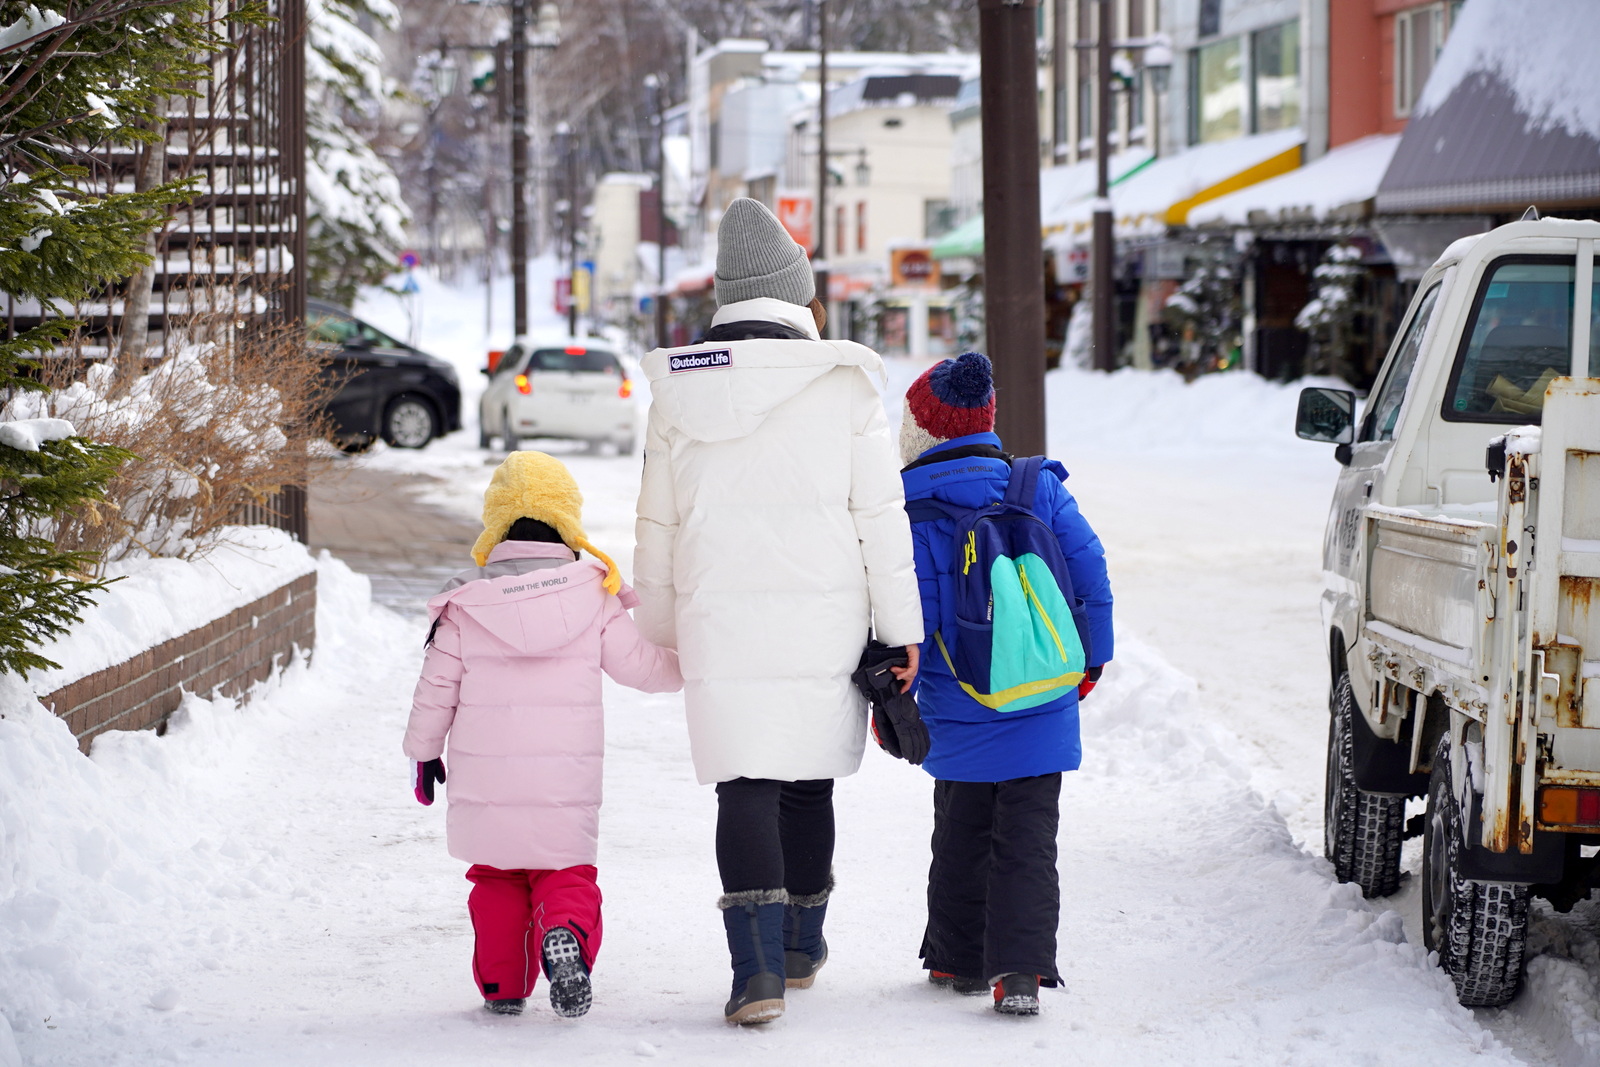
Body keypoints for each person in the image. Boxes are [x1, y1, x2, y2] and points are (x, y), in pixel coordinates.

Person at [633, 197, 923, 1025]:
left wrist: (661, 623)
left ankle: (754, 974)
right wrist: (901, 632)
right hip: (822, 624)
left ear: (726, 299)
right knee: (805, 786)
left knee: (745, 786)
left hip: (721, 623)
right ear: (797, 295)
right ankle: (800, 945)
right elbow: (882, 525)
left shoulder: (679, 397)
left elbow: (658, 525)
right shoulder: (843, 387)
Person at [404, 451, 682, 1019]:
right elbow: (643, 669)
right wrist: (696, 665)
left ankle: (503, 985)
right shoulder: (593, 594)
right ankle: (567, 937)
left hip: (487, 778)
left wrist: (423, 754)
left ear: (496, 521)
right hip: (564, 777)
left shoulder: (465, 603)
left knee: (497, 875)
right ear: (568, 519)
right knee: (564, 872)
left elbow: (435, 688)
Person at [896, 352, 1113, 1016]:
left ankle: (957, 956)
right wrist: (1091, 661)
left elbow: (910, 611)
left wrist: (899, 689)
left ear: (921, 433)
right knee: (1027, 838)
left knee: (960, 826)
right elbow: (1088, 571)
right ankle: (1018, 970)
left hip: (958, 697)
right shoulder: (1038, 485)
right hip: (1043, 688)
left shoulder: (907, 506)